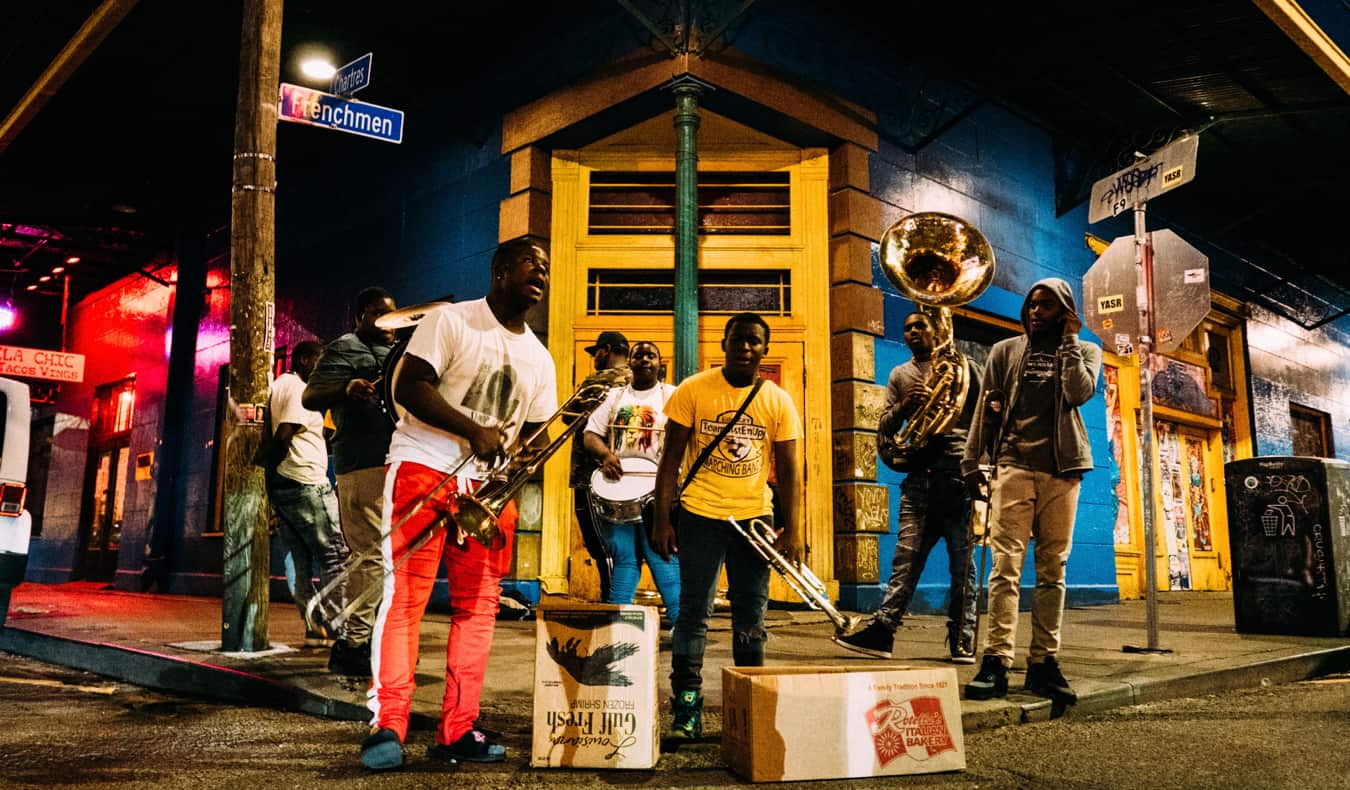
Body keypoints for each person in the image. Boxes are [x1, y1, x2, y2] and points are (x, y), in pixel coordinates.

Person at [359, 239, 557, 771]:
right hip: (424, 465)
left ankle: (458, 728)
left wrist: (528, 462)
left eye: (545, 267)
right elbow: (411, 386)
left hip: (488, 491)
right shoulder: (452, 322)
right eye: (528, 263)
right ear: (497, 271)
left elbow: (533, 435)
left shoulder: (540, 357)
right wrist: (474, 431)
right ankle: (389, 723)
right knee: (405, 599)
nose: (539, 272)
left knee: (479, 609)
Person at [650, 313, 803, 739]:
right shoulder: (694, 389)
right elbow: (670, 462)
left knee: (751, 614)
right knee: (693, 613)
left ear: (764, 350)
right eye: (738, 339)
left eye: (754, 341)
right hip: (701, 514)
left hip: (754, 517)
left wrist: (794, 530)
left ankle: (748, 707)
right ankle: (686, 707)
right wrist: (663, 519)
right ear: (724, 343)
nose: (745, 347)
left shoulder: (778, 401)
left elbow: (791, 471)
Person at [960, 278, 1101, 705]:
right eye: (1032, 306)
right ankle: (997, 661)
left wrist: (1071, 341)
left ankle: (1044, 662)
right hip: (1014, 467)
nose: (1036, 312)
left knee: (1052, 571)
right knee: (1005, 567)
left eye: (1046, 306)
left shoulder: (1086, 351)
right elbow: (988, 408)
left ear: (1065, 312)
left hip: (1063, 471)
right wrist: (972, 461)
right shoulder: (1005, 351)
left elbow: (1080, 393)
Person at [834, 311, 981, 664]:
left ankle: (963, 638)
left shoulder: (967, 368)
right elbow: (883, 426)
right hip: (918, 481)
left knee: (964, 566)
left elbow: (983, 419)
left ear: (936, 331)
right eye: (907, 327)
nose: (913, 331)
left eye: (920, 326)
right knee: (905, 561)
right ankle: (883, 633)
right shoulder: (900, 374)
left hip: (958, 478)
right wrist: (904, 405)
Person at [302, 286, 398, 677]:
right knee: (372, 557)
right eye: (377, 314)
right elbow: (311, 396)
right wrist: (346, 388)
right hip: (360, 465)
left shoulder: (397, 352)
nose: (387, 322)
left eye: (392, 315)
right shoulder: (345, 348)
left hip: (395, 463)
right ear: (360, 317)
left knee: (389, 558)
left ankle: (372, 640)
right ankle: (353, 644)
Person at [581, 340, 680, 622]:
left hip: (657, 491)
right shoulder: (614, 397)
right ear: (630, 362)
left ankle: (680, 628)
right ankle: (616, 626)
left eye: (651, 355)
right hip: (618, 487)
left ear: (660, 364)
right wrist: (605, 456)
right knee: (624, 558)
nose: (645, 360)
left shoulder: (671, 396)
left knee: (662, 557)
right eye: (639, 355)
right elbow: (590, 435)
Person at [263, 340, 349, 646]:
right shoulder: (299, 390)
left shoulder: (280, 386)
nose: (322, 369)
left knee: (300, 561)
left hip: (287, 487)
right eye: (319, 362)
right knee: (335, 555)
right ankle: (340, 630)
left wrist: (271, 481)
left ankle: (315, 628)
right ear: (303, 359)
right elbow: (284, 436)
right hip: (307, 484)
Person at [569, 330, 629, 600]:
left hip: (590, 474)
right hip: (629, 476)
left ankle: (610, 600)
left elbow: (570, 419)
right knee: (623, 543)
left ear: (606, 350)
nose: (595, 358)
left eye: (596, 353)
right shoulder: (641, 381)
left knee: (599, 542)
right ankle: (620, 597)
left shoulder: (598, 380)